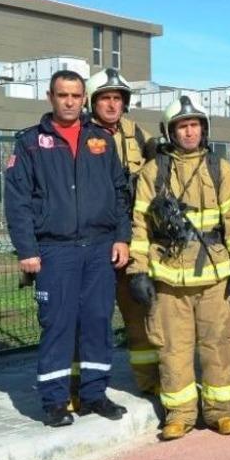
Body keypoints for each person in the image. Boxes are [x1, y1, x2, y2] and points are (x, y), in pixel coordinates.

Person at [4, 69, 132, 427]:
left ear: (84, 98)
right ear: (51, 97)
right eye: (63, 95)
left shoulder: (101, 140)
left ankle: (94, 394)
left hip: (99, 248)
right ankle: (55, 401)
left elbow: (120, 192)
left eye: (76, 95)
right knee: (58, 324)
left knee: (97, 321)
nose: (70, 102)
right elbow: (17, 201)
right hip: (55, 250)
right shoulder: (30, 142)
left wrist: (122, 237)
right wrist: (27, 250)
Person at [128, 95, 230, 440]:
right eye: (182, 126)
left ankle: (220, 412)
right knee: (173, 349)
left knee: (219, 345)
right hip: (169, 279)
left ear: (203, 129)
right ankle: (179, 414)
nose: (189, 132)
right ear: (170, 132)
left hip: (214, 277)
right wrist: (138, 271)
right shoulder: (153, 172)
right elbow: (140, 225)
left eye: (194, 125)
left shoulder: (222, 169)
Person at [85, 68, 158, 395]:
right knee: (90, 316)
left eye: (117, 98)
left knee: (140, 314)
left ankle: (149, 381)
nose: (112, 104)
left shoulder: (138, 134)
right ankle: (83, 386)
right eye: (105, 98)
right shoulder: (82, 134)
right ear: (92, 102)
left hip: (134, 237)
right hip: (95, 239)